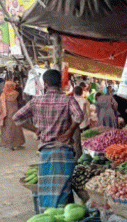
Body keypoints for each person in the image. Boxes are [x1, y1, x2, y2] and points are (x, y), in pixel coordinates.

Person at [13, 69, 84, 211]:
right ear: (61, 84)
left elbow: (17, 118)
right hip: (64, 151)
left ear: (45, 84)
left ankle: (47, 215)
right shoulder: (68, 100)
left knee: (47, 189)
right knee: (64, 188)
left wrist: (35, 130)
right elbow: (79, 116)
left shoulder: (36, 101)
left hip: (45, 152)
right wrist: (70, 131)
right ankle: (64, 218)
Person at [0, 81, 25, 150]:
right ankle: (18, 144)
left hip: (6, 115)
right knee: (17, 129)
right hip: (15, 113)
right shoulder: (15, 93)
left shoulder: (3, 95)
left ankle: (10, 145)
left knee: (8, 130)